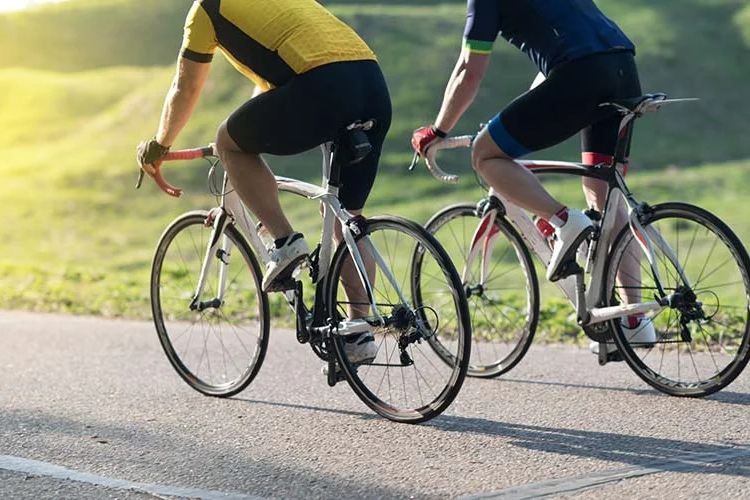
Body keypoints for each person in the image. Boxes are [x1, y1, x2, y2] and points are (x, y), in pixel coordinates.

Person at [137, 0, 391, 363]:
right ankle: (358, 332)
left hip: (322, 86)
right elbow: (273, 82)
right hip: (372, 85)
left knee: (229, 144)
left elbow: (185, 87)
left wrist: (160, 145)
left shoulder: (207, 10)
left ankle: (286, 241)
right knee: (346, 220)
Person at [411, 0, 655, 353]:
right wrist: (511, 117)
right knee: (605, 195)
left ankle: (562, 220)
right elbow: (566, 44)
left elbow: (469, 70)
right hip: (622, 67)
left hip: (580, 76)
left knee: (485, 154)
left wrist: (437, 129)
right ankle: (634, 319)